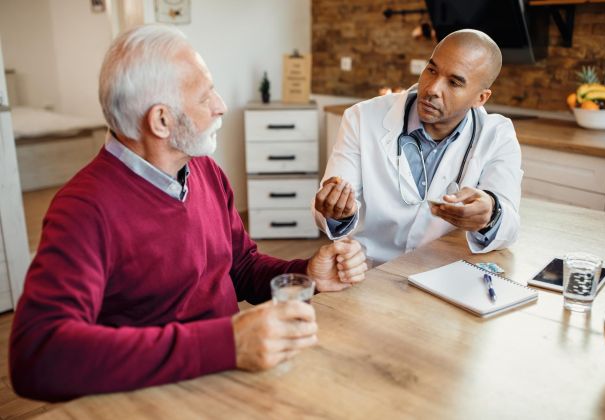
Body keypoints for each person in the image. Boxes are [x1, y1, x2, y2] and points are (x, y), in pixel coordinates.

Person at [9, 24, 367, 401]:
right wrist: (226, 343)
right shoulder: (83, 210)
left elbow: (239, 267)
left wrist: (304, 272)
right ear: (161, 120)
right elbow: (38, 356)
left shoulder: (203, 169)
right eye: (204, 95)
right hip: (156, 399)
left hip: (231, 377)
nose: (221, 105)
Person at [313, 29, 522, 265]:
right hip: (366, 270)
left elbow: (510, 226)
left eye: (453, 82)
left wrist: (490, 215)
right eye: (431, 70)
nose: (432, 88)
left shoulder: (497, 136)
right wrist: (336, 212)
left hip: (440, 276)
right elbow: (327, 213)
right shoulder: (362, 118)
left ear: (480, 98)